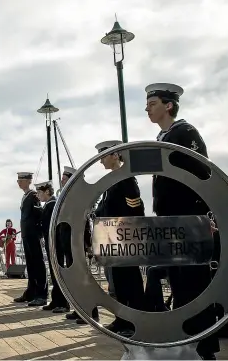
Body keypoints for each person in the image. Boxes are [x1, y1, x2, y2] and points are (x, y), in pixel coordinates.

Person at [146, 83, 218, 360]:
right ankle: (186, 341)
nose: (148, 109)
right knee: (178, 284)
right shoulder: (163, 137)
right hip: (169, 223)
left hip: (189, 220)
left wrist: (206, 217)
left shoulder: (184, 133)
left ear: (169, 105)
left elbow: (204, 175)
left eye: (152, 104)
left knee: (194, 285)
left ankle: (204, 347)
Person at [88, 140, 147, 335]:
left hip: (124, 240)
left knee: (131, 281)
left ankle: (134, 321)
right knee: (118, 283)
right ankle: (122, 319)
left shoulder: (126, 180)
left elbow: (136, 210)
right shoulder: (112, 181)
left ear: (115, 155)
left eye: (103, 156)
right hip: (112, 241)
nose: (101, 161)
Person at [13, 172, 46, 307]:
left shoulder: (33, 196)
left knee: (37, 264)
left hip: (33, 235)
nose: (18, 182)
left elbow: (39, 214)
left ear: (28, 181)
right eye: (18, 180)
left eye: (21, 180)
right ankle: (31, 292)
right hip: (27, 235)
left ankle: (41, 294)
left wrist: (38, 233)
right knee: (31, 265)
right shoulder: (25, 196)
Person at [36, 181, 68, 313]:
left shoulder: (52, 205)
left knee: (58, 272)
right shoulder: (49, 205)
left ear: (47, 192)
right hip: (51, 242)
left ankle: (63, 302)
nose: (38, 195)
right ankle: (56, 300)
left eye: (40, 193)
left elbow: (52, 226)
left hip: (55, 243)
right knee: (54, 273)